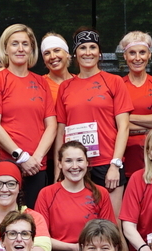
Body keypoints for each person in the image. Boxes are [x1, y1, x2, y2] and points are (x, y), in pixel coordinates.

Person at [0, 23, 59, 206]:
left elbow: (52, 125)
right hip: (6, 164)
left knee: (33, 221)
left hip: (37, 167)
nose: (20, 49)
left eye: (25, 44)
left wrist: (36, 158)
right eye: (15, 44)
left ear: (31, 48)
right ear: (5, 49)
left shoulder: (41, 82)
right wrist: (21, 157)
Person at [54, 29, 132, 193]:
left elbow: (124, 126)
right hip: (74, 165)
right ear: (75, 53)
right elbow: (60, 130)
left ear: (99, 53)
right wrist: (58, 169)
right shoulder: (65, 87)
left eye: (93, 47)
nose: (88, 52)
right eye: (82, 48)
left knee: (111, 219)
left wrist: (115, 164)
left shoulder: (114, 81)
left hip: (106, 163)